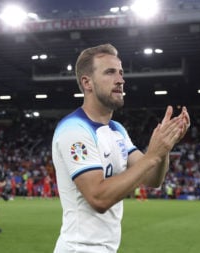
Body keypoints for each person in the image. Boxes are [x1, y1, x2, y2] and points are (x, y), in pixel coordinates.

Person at [52, 43, 190, 253]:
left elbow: (153, 178)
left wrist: (164, 148)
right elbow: (98, 198)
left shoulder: (117, 130)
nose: (121, 80)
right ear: (87, 82)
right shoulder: (74, 130)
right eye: (110, 72)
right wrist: (152, 155)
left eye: (121, 73)